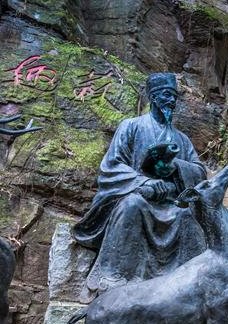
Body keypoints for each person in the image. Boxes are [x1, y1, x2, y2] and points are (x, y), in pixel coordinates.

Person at [72, 72, 207, 292]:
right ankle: (116, 278)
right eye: (166, 95)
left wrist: (176, 169)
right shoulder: (131, 126)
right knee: (131, 206)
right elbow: (112, 166)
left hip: (172, 202)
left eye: (174, 96)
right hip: (139, 196)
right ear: (153, 97)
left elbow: (199, 173)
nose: (172, 101)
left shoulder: (182, 139)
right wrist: (144, 182)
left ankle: (190, 282)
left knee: (187, 215)